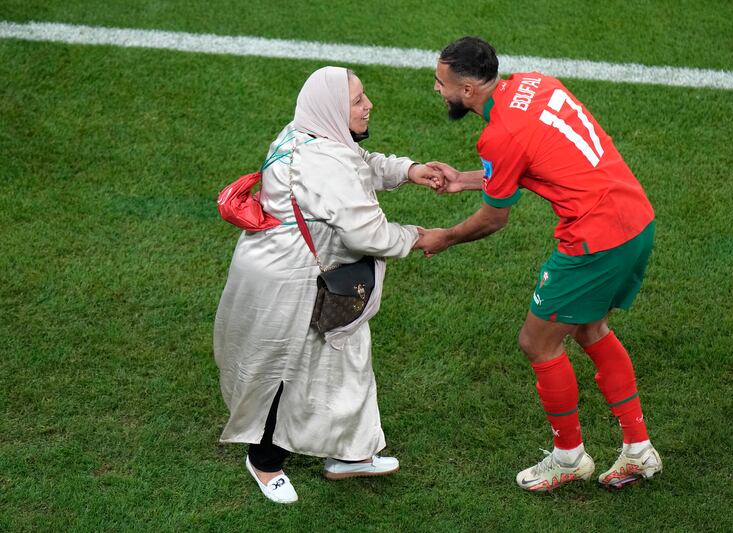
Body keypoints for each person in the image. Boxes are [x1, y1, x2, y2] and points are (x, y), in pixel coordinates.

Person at [416, 36, 663, 491]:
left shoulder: (498, 135)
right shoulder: (535, 84)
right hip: (634, 220)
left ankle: (568, 458)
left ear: (468, 90)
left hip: (596, 238)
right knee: (590, 329)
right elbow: (543, 161)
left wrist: (445, 238)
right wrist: (465, 179)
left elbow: (495, 217)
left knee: (537, 342)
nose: (437, 90)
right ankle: (638, 450)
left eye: (441, 82)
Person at [214, 66, 442, 504]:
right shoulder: (326, 161)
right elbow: (368, 235)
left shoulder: (304, 134)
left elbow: (357, 166)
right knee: (287, 371)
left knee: (346, 356)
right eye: (356, 101)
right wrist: (417, 236)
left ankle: (351, 453)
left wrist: (408, 171)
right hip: (291, 284)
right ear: (333, 110)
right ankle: (264, 462)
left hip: (285, 269)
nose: (368, 105)